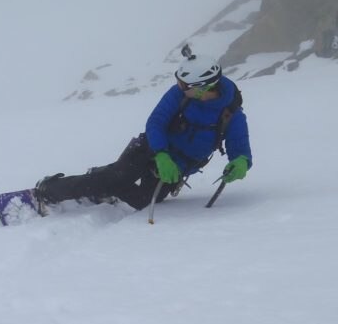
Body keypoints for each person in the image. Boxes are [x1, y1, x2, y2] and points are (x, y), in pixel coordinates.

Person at [33, 51, 252, 211]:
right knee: (115, 179)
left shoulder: (231, 114)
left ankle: (104, 181)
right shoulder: (179, 95)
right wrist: (162, 154)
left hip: (178, 167)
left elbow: (241, 149)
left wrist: (240, 163)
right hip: (150, 148)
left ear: (204, 87)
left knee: (144, 201)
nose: (179, 87)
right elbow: (156, 122)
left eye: (185, 84)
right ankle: (47, 191)